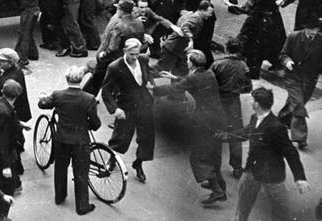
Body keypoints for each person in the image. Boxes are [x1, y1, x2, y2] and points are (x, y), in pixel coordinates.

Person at [217, 87, 309, 221]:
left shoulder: (276, 127)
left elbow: (291, 152)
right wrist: (225, 136)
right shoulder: (255, 117)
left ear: (257, 104)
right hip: (252, 170)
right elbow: (247, 132)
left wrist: (300, 177)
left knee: (280, 209)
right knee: (243, 203)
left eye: (252, 100)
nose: (250, 102)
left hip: (272, 175)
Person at [155, 50, 226, 205]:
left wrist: (152, 90)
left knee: (199, 156)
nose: (186, 62)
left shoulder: (194, 77)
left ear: (191, 63)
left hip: (204, 121)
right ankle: (220, 184)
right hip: (218, 119)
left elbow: (176, 88)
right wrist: (174, 77)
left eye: (188, 60)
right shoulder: (209, 74)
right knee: (214, 153)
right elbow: (192, 82)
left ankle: (217, 191)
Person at [38, 66, 100, 215]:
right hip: (80, 141)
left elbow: (43, 105)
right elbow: (96, 124)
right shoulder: (89, 98)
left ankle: (59, 196)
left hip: (62, 139)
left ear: (67, 79)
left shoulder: (58, 95)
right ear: (81, 79)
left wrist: (42, 98)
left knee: (60, 168)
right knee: (81, 173)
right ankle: (82, 206)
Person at [101, 38, 154, 183]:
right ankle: (112, 159)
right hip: (126, 107)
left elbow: (148, 74)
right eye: (132, 54)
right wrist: (115, 109)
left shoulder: (143, 59)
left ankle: (139, 164)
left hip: (144, 105)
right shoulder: (115, 67)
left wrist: (150, 83)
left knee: (146, 139)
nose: (135, 57)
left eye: (137, 54)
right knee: (120, 137)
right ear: (125, 51)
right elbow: (105, 91)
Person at [225, 0, 286, 79]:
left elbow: (247, 8)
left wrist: (232, 6)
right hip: (273, 21)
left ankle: (243, 72)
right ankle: (272, 64)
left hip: (255, 22)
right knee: (268, 46)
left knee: (247, 46)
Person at [210, 37, 252, 179]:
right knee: (235, 134)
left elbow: (209, 84)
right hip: (234, 102)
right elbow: (248, 88)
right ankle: (237, 167)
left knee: (214, 132)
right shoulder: (244, 66)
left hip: (218, 101)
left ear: (226, 49)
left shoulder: (217, 64)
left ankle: (213, 166)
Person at [277, 18, 322, 149]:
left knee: (298, 101)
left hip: (310, 79)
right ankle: (300, 137)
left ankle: (283, 118)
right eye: (312, 29)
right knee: (298, 104)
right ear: (305, 28)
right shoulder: (294, 36)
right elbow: (283, 54)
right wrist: (287, 61)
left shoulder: (320, 39)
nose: (314, 32)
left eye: (317, 29)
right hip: (293, 76)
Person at [156, 0, 215, 79]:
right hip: (173, 48)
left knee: (180, 72)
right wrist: (190, 39)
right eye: (210, 12)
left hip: (178, 49)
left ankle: (176, 89)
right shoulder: (196, 19)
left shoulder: (190, 14)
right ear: (202, 10)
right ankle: (144, 77)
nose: (211, 15)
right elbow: (184, 27)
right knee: (161, 69)